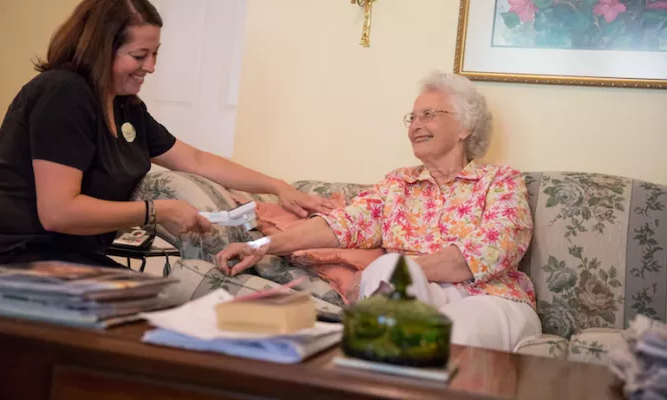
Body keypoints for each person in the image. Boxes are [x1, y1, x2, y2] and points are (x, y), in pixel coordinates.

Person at [0, 0, 334, 269]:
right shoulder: (63, 93)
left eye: (155, 54)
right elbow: (59, 211)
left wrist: (279, 186)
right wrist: (156, 211)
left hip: (64, 254)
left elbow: (196, 160)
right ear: (101, 48)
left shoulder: (126, 107)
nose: (150, 67)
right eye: (139, 55)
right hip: (2, 252)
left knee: (160, 310)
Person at [216, 71, 542, 352]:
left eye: (428, 114)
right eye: (411, 118)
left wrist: (400, 270)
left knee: (448, 329)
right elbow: (339, 226)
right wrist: (260, 247)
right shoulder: (397, 183)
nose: (415, 125)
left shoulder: (501, 181)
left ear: (464, 127)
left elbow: (485, 255)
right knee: (389, 269)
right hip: (416, 299)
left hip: (490, 301)